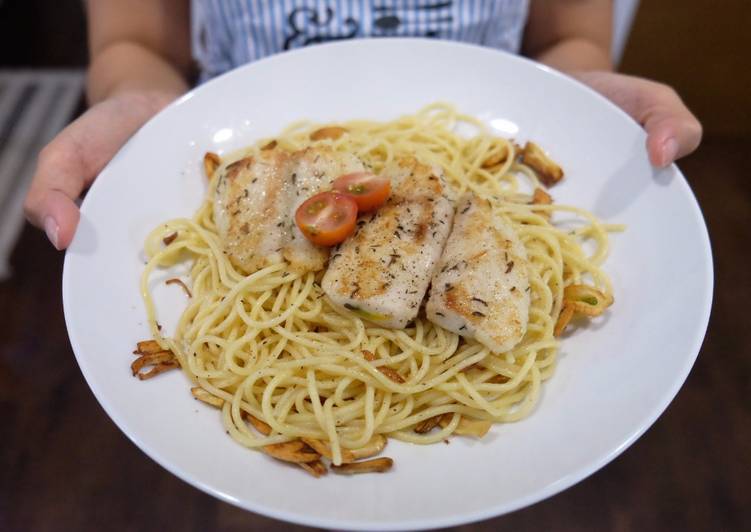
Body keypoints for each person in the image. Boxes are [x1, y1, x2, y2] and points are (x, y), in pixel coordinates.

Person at [24, 0, 702, 250]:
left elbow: (568, 37)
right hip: (251, 173)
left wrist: (566, 97)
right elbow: (136, 41)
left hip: (477, 172)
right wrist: (144, 107)